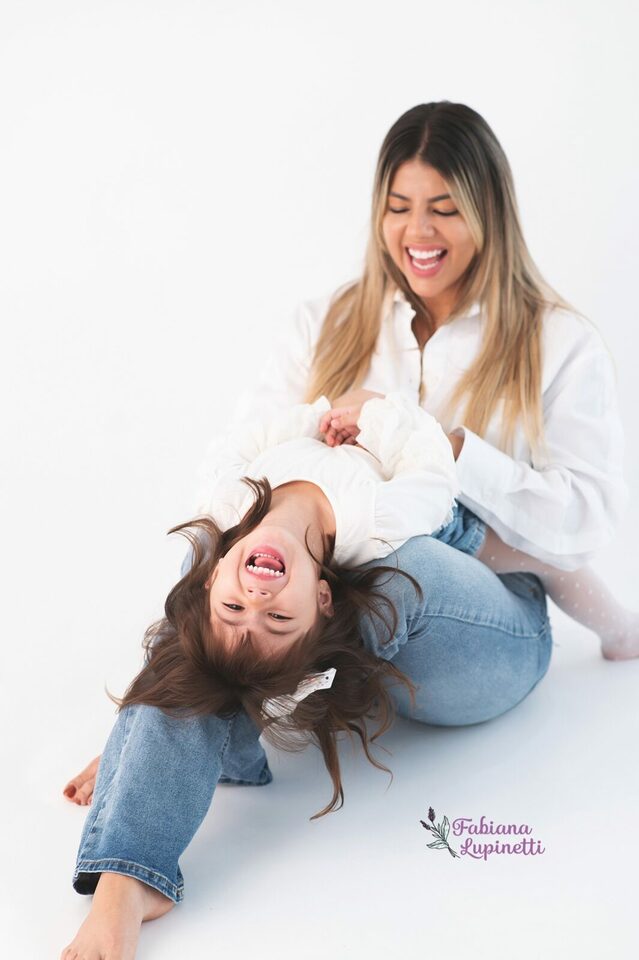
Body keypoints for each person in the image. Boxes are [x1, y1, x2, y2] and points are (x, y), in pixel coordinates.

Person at [60, 101, 628, 960]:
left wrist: (442, 446)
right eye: (398, 206)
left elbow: (586, 522)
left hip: (480, 626)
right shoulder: (325, 320)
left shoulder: (558, 342)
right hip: (329, 614)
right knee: (219, 555)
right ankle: (127, 875)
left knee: (402, 555)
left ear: (489, 212)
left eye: (444, 208)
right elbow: (241, 487)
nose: (417, 233)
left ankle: (186, 729)